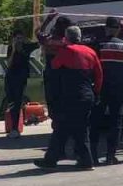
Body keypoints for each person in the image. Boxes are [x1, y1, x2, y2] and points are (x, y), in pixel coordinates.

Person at [37, 25, 102, 170]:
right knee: (77, 128)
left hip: (71, 96)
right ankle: (75, 160)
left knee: (64, 127)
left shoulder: (67, 51)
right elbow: (99, 75)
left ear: (66, 37)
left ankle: (83, 161)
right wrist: (96, 93)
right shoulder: (91, 52)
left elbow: (54, 65)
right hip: (87, 95)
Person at [90, 15, 123, 165]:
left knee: (95, 120)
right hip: (118, 88)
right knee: (115, 121)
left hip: (100, 87)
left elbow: (91, 66)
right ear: (117, 30)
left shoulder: (98, 45)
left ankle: (93, 154)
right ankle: (111, 155)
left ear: (105, 29)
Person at [4, 29, 38, 137]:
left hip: (21, 77)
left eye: (20, 38)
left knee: (18, 102)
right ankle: (13, 127)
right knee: (11, 102)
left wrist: (28, 39)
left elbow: (37, 42)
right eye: (16, 38)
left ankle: (15, 128)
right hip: (10, 77)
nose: (18, 40)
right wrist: (14, 50)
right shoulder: (11, 48)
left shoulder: (27, 47)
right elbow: (9, 63)